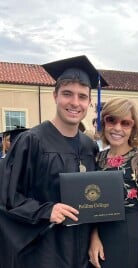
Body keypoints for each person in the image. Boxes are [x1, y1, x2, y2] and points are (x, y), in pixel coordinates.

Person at [0, 55, 103, 268]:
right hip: (43, 252)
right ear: (55, 95)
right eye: (67, 94)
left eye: (82, 96)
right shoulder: (31, 141)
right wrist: (46, 211)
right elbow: (7, 197)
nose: (75, 103)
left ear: (89, 102)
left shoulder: (89, 146)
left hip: (82, 254)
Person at [88, 97, 138, 268]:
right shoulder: (98, 159)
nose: (117, 128)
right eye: (111, 120)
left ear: (133, 128)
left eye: (125, 123)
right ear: (103, 122)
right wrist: (94, 237)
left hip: (129, 237)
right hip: (101, 240)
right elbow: (92, 208)